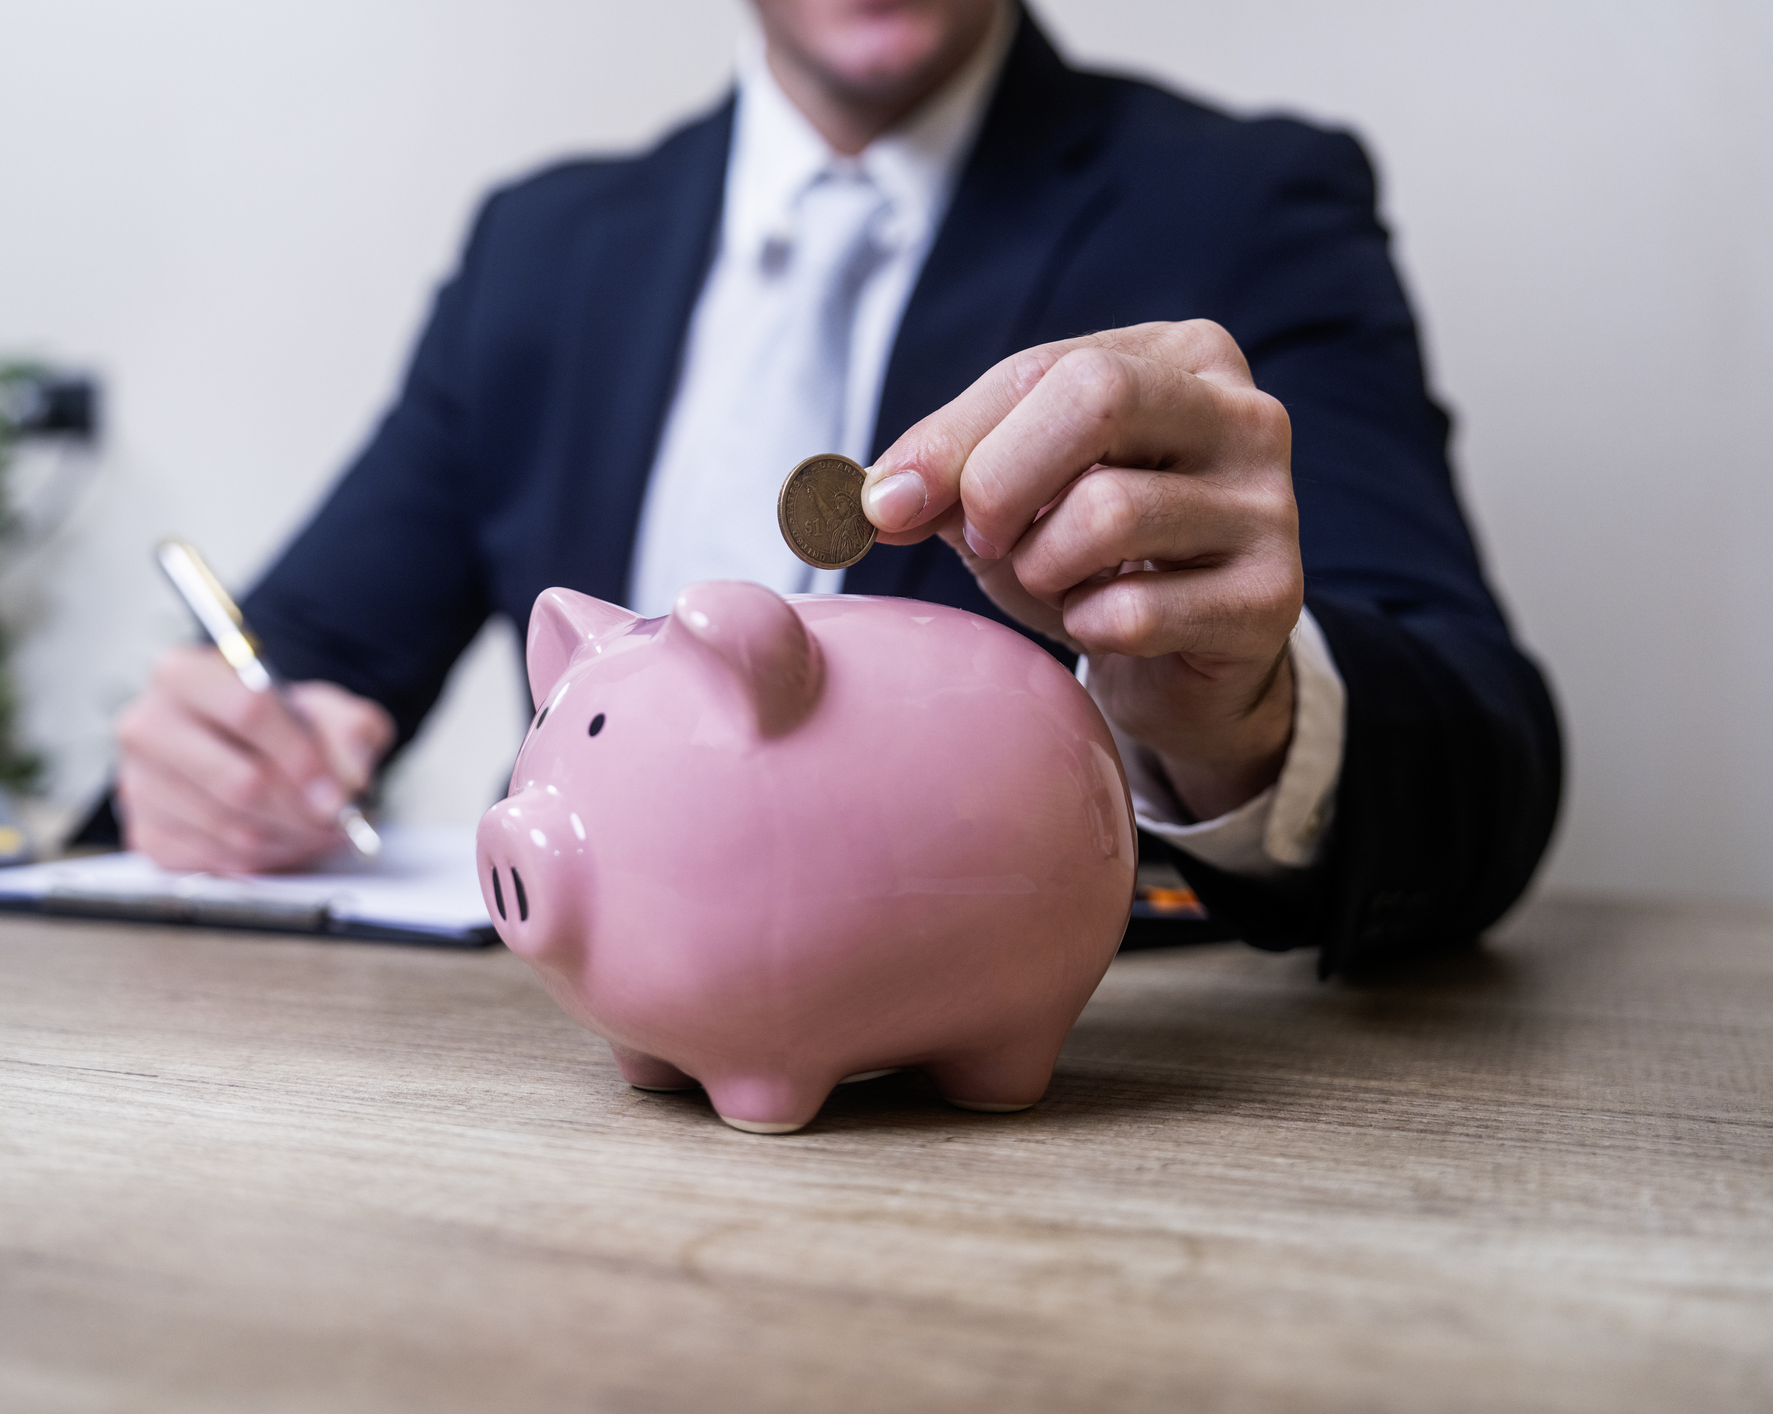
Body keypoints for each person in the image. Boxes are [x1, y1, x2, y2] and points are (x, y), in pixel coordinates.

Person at [106, 0, 1561, 977]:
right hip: (578, 1107)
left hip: (1046, 1132)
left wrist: (1245, 718)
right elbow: (305, 659)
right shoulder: (542, 251)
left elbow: (1480, 755)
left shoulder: (1243, 198)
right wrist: (218, 764)